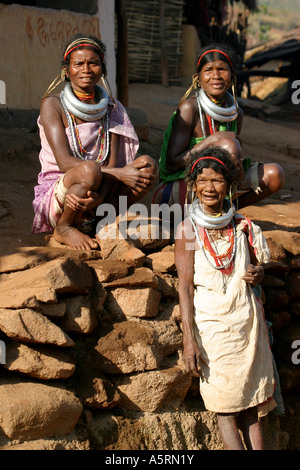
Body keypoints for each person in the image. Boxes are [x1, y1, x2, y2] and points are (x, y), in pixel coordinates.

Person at [174, 146, 278, 450]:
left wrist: (257, 273)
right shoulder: (188, 229)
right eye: (202, 181)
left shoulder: (244, 226)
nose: (209, 188)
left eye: (217, 180)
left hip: (246, 325)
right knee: (225, 409)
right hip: (212, 330)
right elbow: (184, 287)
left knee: (252, 408)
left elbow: (259, 267)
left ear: (230, 185)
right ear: (193, 186)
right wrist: (189, 340)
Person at [32, 34, 156, 250]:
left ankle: (100, 220)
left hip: (100, 195)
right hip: (64, 192)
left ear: (103, 69)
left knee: (147, 165)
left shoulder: (112, 108)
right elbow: (63, 162)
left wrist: (99, 197)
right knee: (88, 169)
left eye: (93, 63)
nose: (86, 70)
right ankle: (65, 227)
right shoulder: (52, 104)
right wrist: (118, 174)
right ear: (66, 70)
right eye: (78, 63)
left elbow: (112, 162)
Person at [153, 44, 285, 210]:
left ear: (232, 76)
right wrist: (212, 140)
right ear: (197, 78)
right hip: (182, 188)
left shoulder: (236, 113)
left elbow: (230, 162)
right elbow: (171, 164)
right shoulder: (189, 109)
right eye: (208, 70)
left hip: (220, 183)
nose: (216, 76)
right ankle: (210, 213)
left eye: (222, 69)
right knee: (228, 145)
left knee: (275, 174)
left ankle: (227, 211)